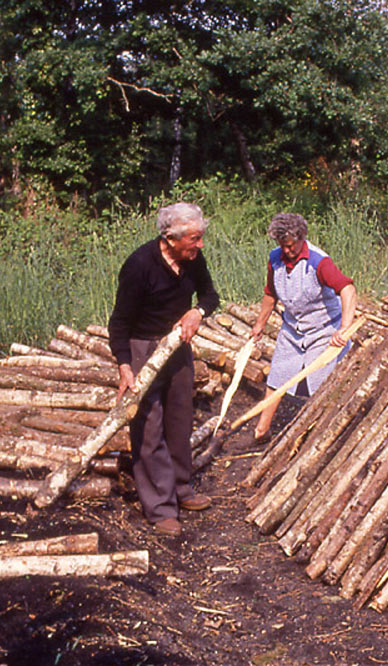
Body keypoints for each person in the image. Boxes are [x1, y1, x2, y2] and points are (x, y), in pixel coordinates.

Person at [108, 202, 220, 537]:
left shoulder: (193, 260)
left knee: (180, 418)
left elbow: (211, 295)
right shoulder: (140, 265)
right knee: (149, 427)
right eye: (194, 239)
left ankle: (181, 489)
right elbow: (119, 323)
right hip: (144, 348)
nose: (200, 245)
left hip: (178, 348)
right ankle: (159, 507)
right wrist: (125, 366)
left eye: (201, 238)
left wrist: (197, 312)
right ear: (170, 238)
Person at [250, 212, 357, 441]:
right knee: (278, 374)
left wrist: (344, 328)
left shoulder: (319, 261)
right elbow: (270, 294)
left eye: (290, 246)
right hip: (292, 328)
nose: (286, 251)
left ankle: (321, 433)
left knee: (320, 383)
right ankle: (262, 429)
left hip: (324, 329)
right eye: (282, 246)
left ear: (301, 238)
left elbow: (347, 288)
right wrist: (260, 324)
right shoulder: (275, 258)